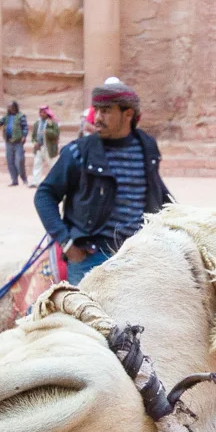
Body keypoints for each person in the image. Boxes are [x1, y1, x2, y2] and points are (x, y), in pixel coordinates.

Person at [35, 79, 171, 284]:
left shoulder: (147, 148)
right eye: (96, 110)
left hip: (139, 255)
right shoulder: (78, 152)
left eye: (106, 111)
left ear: (128, 114)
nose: (97, 118)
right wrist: (67, 243)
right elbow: (44, 195)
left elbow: (157, 192)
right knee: (86, 315)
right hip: (91, 256)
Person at [0, 101, 30, 187]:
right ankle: (14, 180)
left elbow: (25, 127)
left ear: (15, 107)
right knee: (10, 161)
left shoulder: (21, 116)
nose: (9, 108)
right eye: (8, 107)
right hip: (8, 142)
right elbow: (0, 123)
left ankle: (24, 178)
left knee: (19, 160)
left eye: (10, 107)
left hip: (18, 141)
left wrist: (24, 136)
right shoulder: (6, 117)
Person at [34, 105, 61, 179]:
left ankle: (56, 180)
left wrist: (47, 132)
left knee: (52, 164)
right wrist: (34, 142)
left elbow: (56, 134)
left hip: (49, 147)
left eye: (44, 112)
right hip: (39, 147)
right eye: (41, 112)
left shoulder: (52, 122)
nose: (42, 114)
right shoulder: (37, 123)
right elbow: (33, 135)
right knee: (37, 164)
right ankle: (36, 181)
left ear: (47, 113)